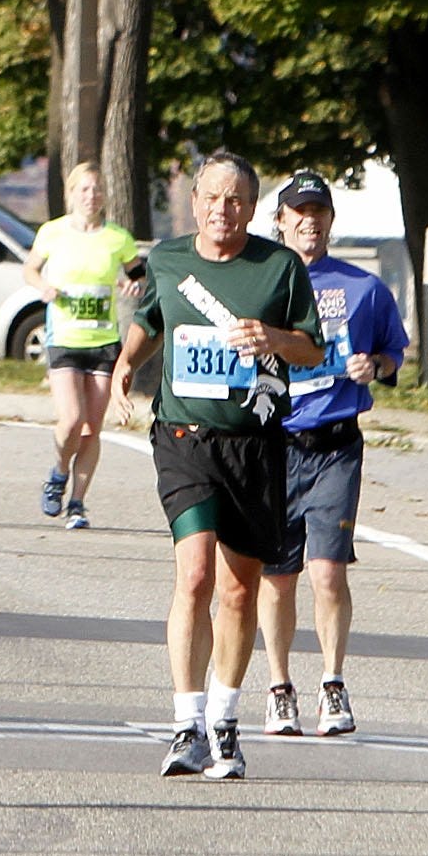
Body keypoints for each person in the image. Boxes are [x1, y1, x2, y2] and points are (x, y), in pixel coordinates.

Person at [113, 150, 323, 780]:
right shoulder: (169, 260)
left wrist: (275, 340)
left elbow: (312, 350)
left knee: (238, 589)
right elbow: (151, 320)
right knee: (196, 574)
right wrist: (126, 363)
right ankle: (185, 723)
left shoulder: (279, 268)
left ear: (251, 208)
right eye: (210, 197)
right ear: (195, 200)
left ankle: (225, 722)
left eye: (234, 200)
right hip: (184, 438)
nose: (220, 210)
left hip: (254, 444)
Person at [256, 170, 410, 738]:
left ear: (329, 222)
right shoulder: (262, 284)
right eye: (297, 213)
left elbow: (393, 352)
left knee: (327, 572)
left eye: (318, 213)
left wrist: (378, 367)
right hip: (274, 443)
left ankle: (332, 682)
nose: (308, 222)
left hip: (335, 444)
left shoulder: (364, 289)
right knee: (277, 577)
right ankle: (277, 687)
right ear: (279, 222)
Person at [25, 158, 142, 530]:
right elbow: (30, 268)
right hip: (64, 340)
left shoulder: (117, 238)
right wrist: (42, 287)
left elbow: (137, 272)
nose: (92, 196)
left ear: (105, 195)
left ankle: (77, 503)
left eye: (97, 189)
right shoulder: (53, 233)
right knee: (71, 419)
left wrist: (131, 284)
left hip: (103, 341)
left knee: (93, 427)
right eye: (84, 189)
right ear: (72, 194)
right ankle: (58, 472)